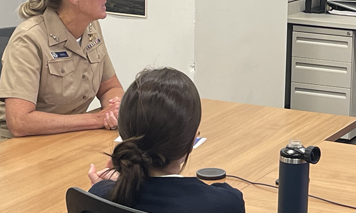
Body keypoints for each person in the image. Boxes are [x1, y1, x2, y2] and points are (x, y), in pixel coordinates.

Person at [0, 0, 123, 146]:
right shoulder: (29, 38)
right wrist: (96, 119)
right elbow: (20, 122)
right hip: (12, 146)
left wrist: (114, 108)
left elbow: (111, 87)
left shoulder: (91, 28)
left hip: (65, 138)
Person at [87, 67, 245, 212]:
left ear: (124, 134)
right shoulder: (225, 204)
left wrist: (106, 187)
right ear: (192, 140)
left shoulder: (99, 197)